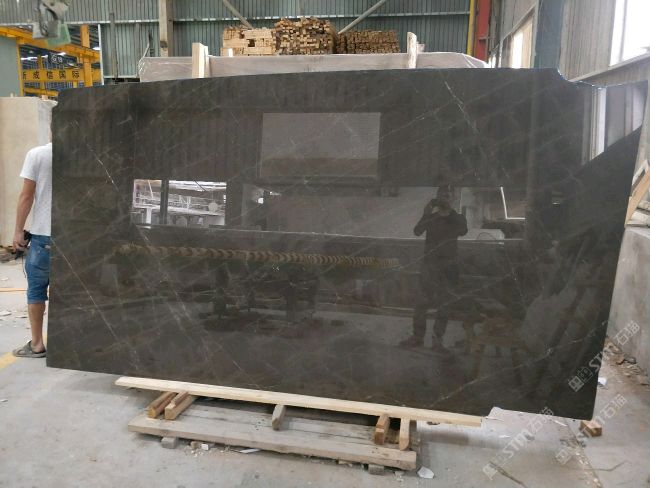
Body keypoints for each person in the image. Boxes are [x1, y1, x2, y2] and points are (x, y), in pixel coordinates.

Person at [401, 186, 468, 350]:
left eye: (449, 195)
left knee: (444, 304)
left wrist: (450, 211)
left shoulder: (458, 218)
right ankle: (418, 337)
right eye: (442, 195)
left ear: (453, 198)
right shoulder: (431, 218)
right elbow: (417, 231)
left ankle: (437, 341)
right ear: (437, 197)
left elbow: (463, 231)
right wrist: (426, 213)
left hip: (449, 266)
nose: (445, 197)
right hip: (430, 265)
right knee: (422, 302)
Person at [12, 141, 52, 358]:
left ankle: (37, 344)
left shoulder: (37, 154)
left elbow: (26, 196)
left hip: (44, 235)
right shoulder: (83, 154)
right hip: (76, 236)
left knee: (36, 290)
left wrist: (18, 231)